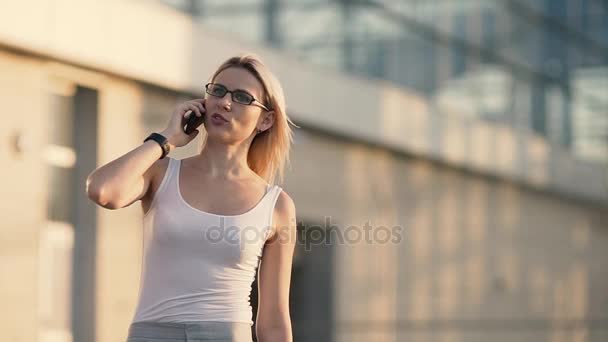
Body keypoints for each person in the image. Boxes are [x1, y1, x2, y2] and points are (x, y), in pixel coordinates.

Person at [86, 53, 298, 342]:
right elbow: (103, 191)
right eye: (218, 91)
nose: (225, 102)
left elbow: (274, 320)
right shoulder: (160, 173)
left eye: (242, 98)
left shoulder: (276, 205)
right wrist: (165, 139)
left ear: (266, 120)